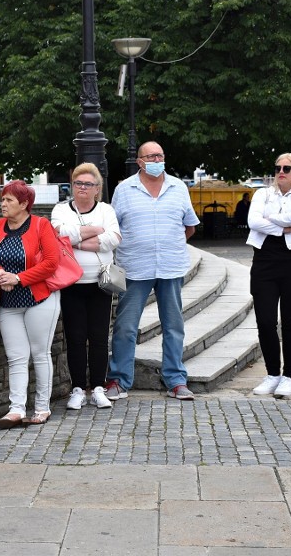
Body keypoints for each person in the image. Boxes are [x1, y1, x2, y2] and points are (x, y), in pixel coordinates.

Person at [106, 141, 200, 401]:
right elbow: (113, 228)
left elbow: (189, 226)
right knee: (125, 326)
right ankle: (119, 380)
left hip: (171, 266)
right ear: (139, 161)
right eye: (151, 156)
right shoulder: (124, 190)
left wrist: (170, 243)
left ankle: (176, 380)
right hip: (135, 267)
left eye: (160, 154)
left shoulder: (178, 187)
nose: (157, 159)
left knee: (174, 326)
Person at [0, 180, 62, 428]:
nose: (2, 204)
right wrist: (0, 273)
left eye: (9, 200)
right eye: (2, 199)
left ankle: (42, 407)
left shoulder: (40, 225)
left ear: (24, 204)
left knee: (40, 354)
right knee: (16, 357)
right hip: (9, 303)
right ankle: (16, 409)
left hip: (39, 299)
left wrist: (19, 278)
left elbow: (51, 263)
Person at [50, 163, 121, 410]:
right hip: (71, 283)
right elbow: (58, 235)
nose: (82, 187)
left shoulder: (106, 210)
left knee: (99, 337)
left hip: (100, 284)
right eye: (78, 183)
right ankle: (78, 388)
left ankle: (98, 388)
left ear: (97, 188)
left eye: (88, 184)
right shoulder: (61, 209)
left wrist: (76, 240)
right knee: (76, 337)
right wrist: (95, 232)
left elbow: (114, 238)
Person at [247, 153, 291, 398]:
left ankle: (289, 376)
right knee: (265, 321)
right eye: (277, 168)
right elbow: (253, 221)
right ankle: (272, 373)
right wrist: (283, 228)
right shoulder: (262, 194)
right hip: (264, 262)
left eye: (287, 168)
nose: (281, 172)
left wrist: (270, 220)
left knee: (290, 321)